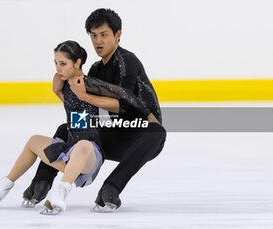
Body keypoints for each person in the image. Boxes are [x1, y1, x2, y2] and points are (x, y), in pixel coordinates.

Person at [22, 8, 167, 212]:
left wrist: (85, 96)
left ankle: (111, 188)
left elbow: (123, 104)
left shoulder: (127, 62)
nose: (98, 41)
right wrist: (61, 95)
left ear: (118, 35)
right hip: (109, 133)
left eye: (104, 35)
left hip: (139, 135)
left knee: (157, 132)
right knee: (66, 129)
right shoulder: (95, 70)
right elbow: (84, 111)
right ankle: (41, 183)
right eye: (93, 35)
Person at [0, 41, 104, 215]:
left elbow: (101, 115)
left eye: (63, 64)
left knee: (83, 144)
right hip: (70, 155)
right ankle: (3, 187)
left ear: (77, 63)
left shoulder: (91, 84)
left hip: (90, 158)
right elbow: (78, 115)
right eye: (55, 63)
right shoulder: (67, 86)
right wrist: (59, 92)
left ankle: (60, 194)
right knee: (34, 141)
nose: (58, 68)